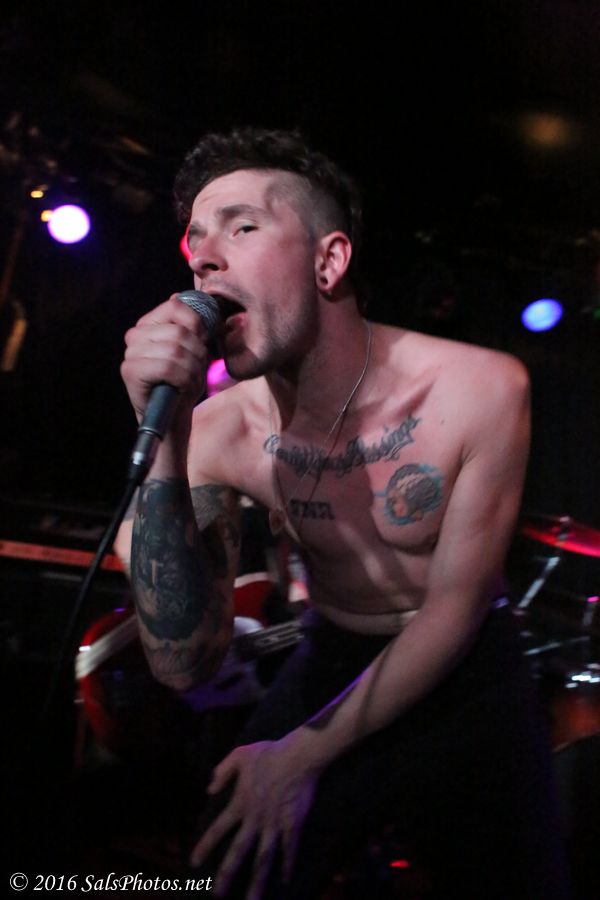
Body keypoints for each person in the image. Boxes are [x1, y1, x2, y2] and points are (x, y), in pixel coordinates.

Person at [118, 127, 569, 899]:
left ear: (328, 262)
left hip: (471, 671)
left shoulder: (478, 389)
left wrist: (299, 757)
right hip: (331, 655)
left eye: (241, 226)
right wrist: (161, 435)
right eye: (195, 237)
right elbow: (183, 661)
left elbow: (455, 611)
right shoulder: (220, 429)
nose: (203, 256)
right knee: (225, 866)